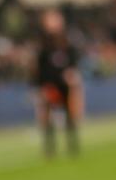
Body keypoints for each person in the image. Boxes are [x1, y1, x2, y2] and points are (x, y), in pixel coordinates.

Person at [34, 9, 82, 157]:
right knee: (48, 117)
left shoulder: (66, 41)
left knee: (70, 115)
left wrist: (72, 74)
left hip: (65, 84)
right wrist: (40, 87)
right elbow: (39, 68)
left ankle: (72, 146)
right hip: (49, 85)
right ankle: (50, 148)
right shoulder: (43, 43)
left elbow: (73, 61)